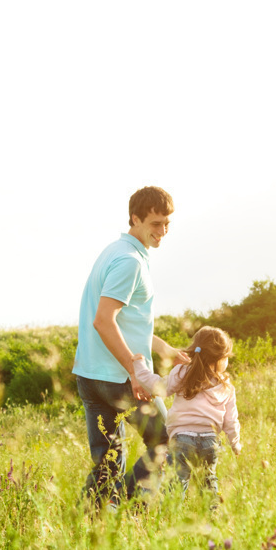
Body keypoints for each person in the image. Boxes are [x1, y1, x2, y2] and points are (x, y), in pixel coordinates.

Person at [74, 186, 190, 509]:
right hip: (120, 378)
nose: (162, 232)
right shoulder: (130, 262)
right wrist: (134, 370)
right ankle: (128, 504)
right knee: (171, 440)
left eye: (167, 223)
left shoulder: (115, 252)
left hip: (90, 375)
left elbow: (124, 321)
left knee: (108, 461)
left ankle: (90, 519)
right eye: (155, 224)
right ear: (135, 219)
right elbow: (103, 321)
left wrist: (163, 348)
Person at [158, 326, 241, 507]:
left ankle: (170, 520)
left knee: (176, 484)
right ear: (220, 359)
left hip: (181, 440)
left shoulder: (182, 373)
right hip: (209, 442)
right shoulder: (226, 385)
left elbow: (159, 387)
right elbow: (230, 420)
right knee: (208, 483)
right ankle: (213, 518)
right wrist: (235, 442)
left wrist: (139, 368)